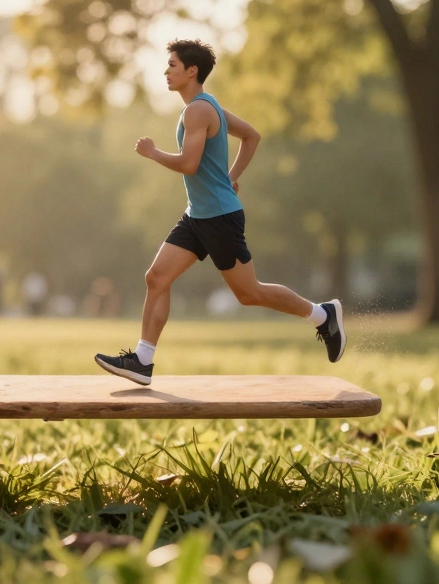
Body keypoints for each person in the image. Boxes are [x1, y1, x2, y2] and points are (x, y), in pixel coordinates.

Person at [94, 39, 346, 385]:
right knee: (156, 278)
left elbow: (189, 163)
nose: (166, 72)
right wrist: (230, 178)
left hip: (219, 218)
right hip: (198, 215)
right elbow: (252, 136)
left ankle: (322, 314)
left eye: (172, 65)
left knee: (249, 293)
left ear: (191, 71)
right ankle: (142, 359)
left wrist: (153, 153)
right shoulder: (208, 107)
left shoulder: (197, 110)